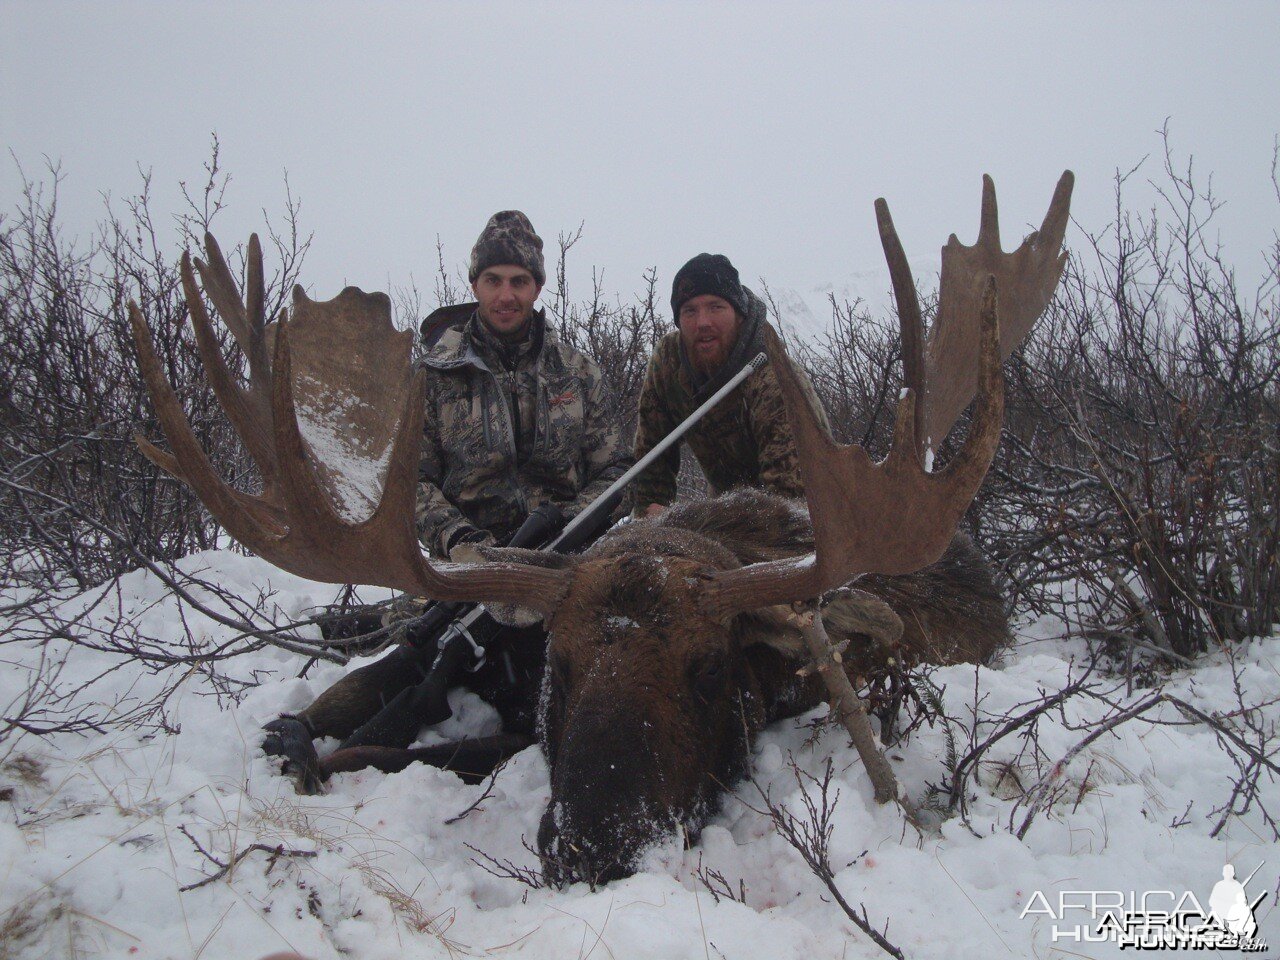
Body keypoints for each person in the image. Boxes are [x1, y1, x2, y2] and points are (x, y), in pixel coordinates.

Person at [262, 211, 631, 789]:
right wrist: (459, 542)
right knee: (423, 648)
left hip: (561, 562)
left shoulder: (579, 372)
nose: (506, 295)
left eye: (519, 281)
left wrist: (571, 521)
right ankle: (308, 728)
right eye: (494, 280)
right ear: (475, 284)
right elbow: (409, 484)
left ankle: (367, 752)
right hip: (470, 566)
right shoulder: (433, 375)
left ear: (537, 286)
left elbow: (615, 468)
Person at [629, 253, 829, 516]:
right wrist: (649, 511)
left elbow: (790, 502)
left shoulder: (773, 377)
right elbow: (650, 461)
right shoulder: (668, 361)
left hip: (807, 515)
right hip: (728, 510)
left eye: (715, 307)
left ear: (739, 314)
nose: (703, 322)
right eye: (690, 310)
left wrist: (691, 525)